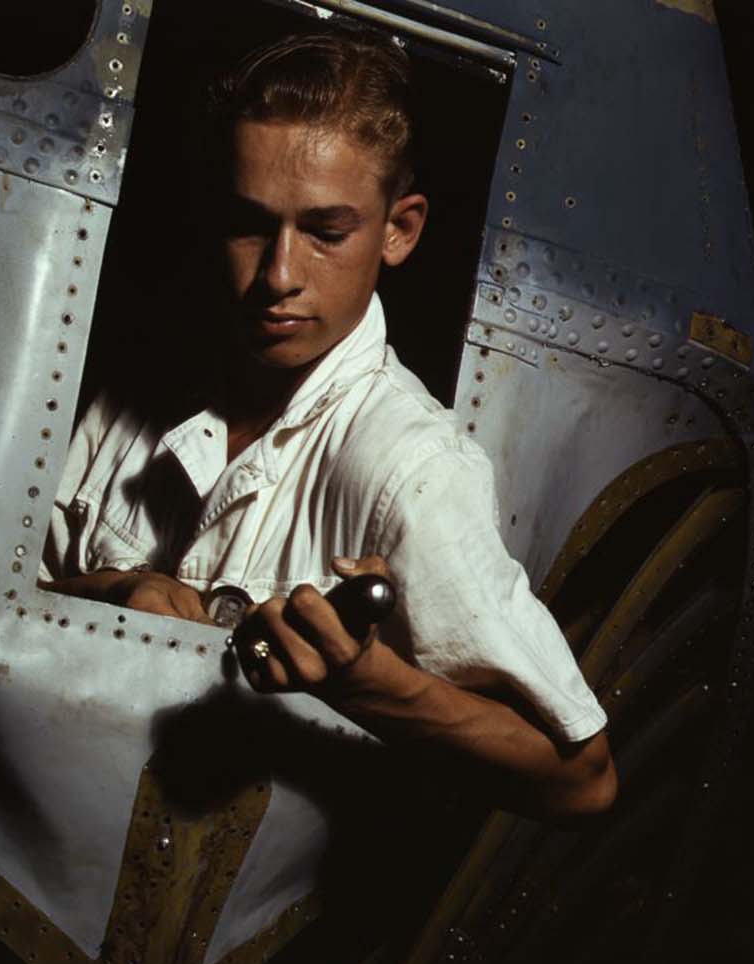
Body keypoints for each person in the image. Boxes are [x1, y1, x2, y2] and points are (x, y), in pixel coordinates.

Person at [42, 31, 616, 821]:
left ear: (400, 229)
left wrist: (369, 682)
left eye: (325, 232)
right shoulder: (139, 388)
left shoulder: (413, 468)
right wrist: (115, 591)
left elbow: (584, 777)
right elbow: (2, 600)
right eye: (251, 225)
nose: (279, 275)